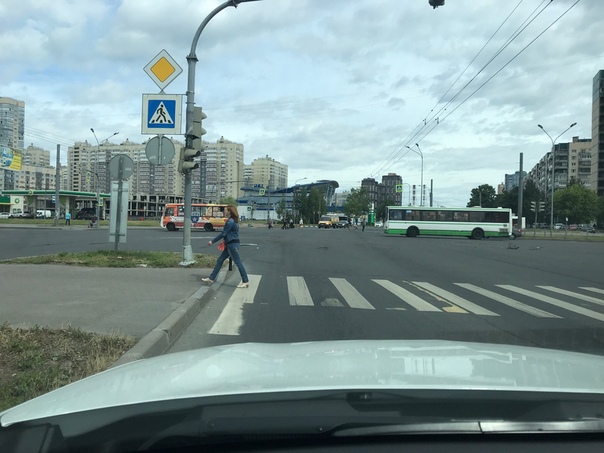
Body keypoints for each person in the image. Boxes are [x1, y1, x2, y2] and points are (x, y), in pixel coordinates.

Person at [203, 205, 249, 288]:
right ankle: (211, 278)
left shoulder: (230, 221)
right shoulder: (233, 221)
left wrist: (212, 241)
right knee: (220, 260)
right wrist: (225, 240)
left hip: (232, 245)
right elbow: (229, 233)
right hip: (230, 244)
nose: (224, 211)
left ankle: (245, 281)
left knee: (238, 263)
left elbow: (224, 233)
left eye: (225, 210)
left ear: (229, 211)